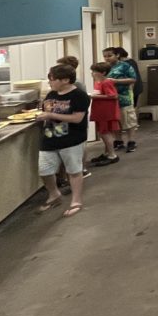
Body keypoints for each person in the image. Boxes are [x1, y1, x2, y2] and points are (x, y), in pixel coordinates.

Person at [36, 64, 91, 218]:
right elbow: (46, 111)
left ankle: (76, 201)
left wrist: (51, 116)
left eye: (52, 79)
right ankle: (54, 195)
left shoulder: (79, 96)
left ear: (65, 80)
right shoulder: (51, 94)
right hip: (49, 138)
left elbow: (77, 118)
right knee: (44, 170)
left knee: (73, 171)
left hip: (71, 140)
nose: (50, 82)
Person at [103, 47, 138, 153]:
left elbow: (133, 79)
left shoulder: (125, 66)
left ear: (117, 55)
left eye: (110, 56)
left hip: (124, 97)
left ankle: (131, 142)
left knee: (128, 121)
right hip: (110, 99)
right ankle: (118, 141)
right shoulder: (104, 67)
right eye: (105, 56)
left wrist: (115, 81)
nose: (107, 58)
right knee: (115, 122)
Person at [88, 62, 121, 167]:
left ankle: (112, 154)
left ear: (103, 73)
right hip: (100, 110)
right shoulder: (98, 82)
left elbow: (113, 96)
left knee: (104, 133)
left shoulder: (106, 82)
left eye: (95, 72)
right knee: (104, 132)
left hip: (106, 112)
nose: (92, 74)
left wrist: (94, 96)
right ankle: (107, 153)